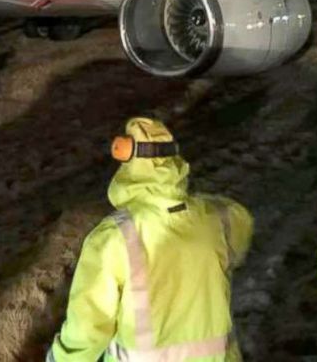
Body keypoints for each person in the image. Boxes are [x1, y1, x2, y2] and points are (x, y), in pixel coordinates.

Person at [47, 117, 253, 362]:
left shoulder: (113, 238)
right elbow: (240, 223)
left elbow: (88, 327)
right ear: (174, 163)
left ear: (128, 162)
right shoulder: (219, 219)